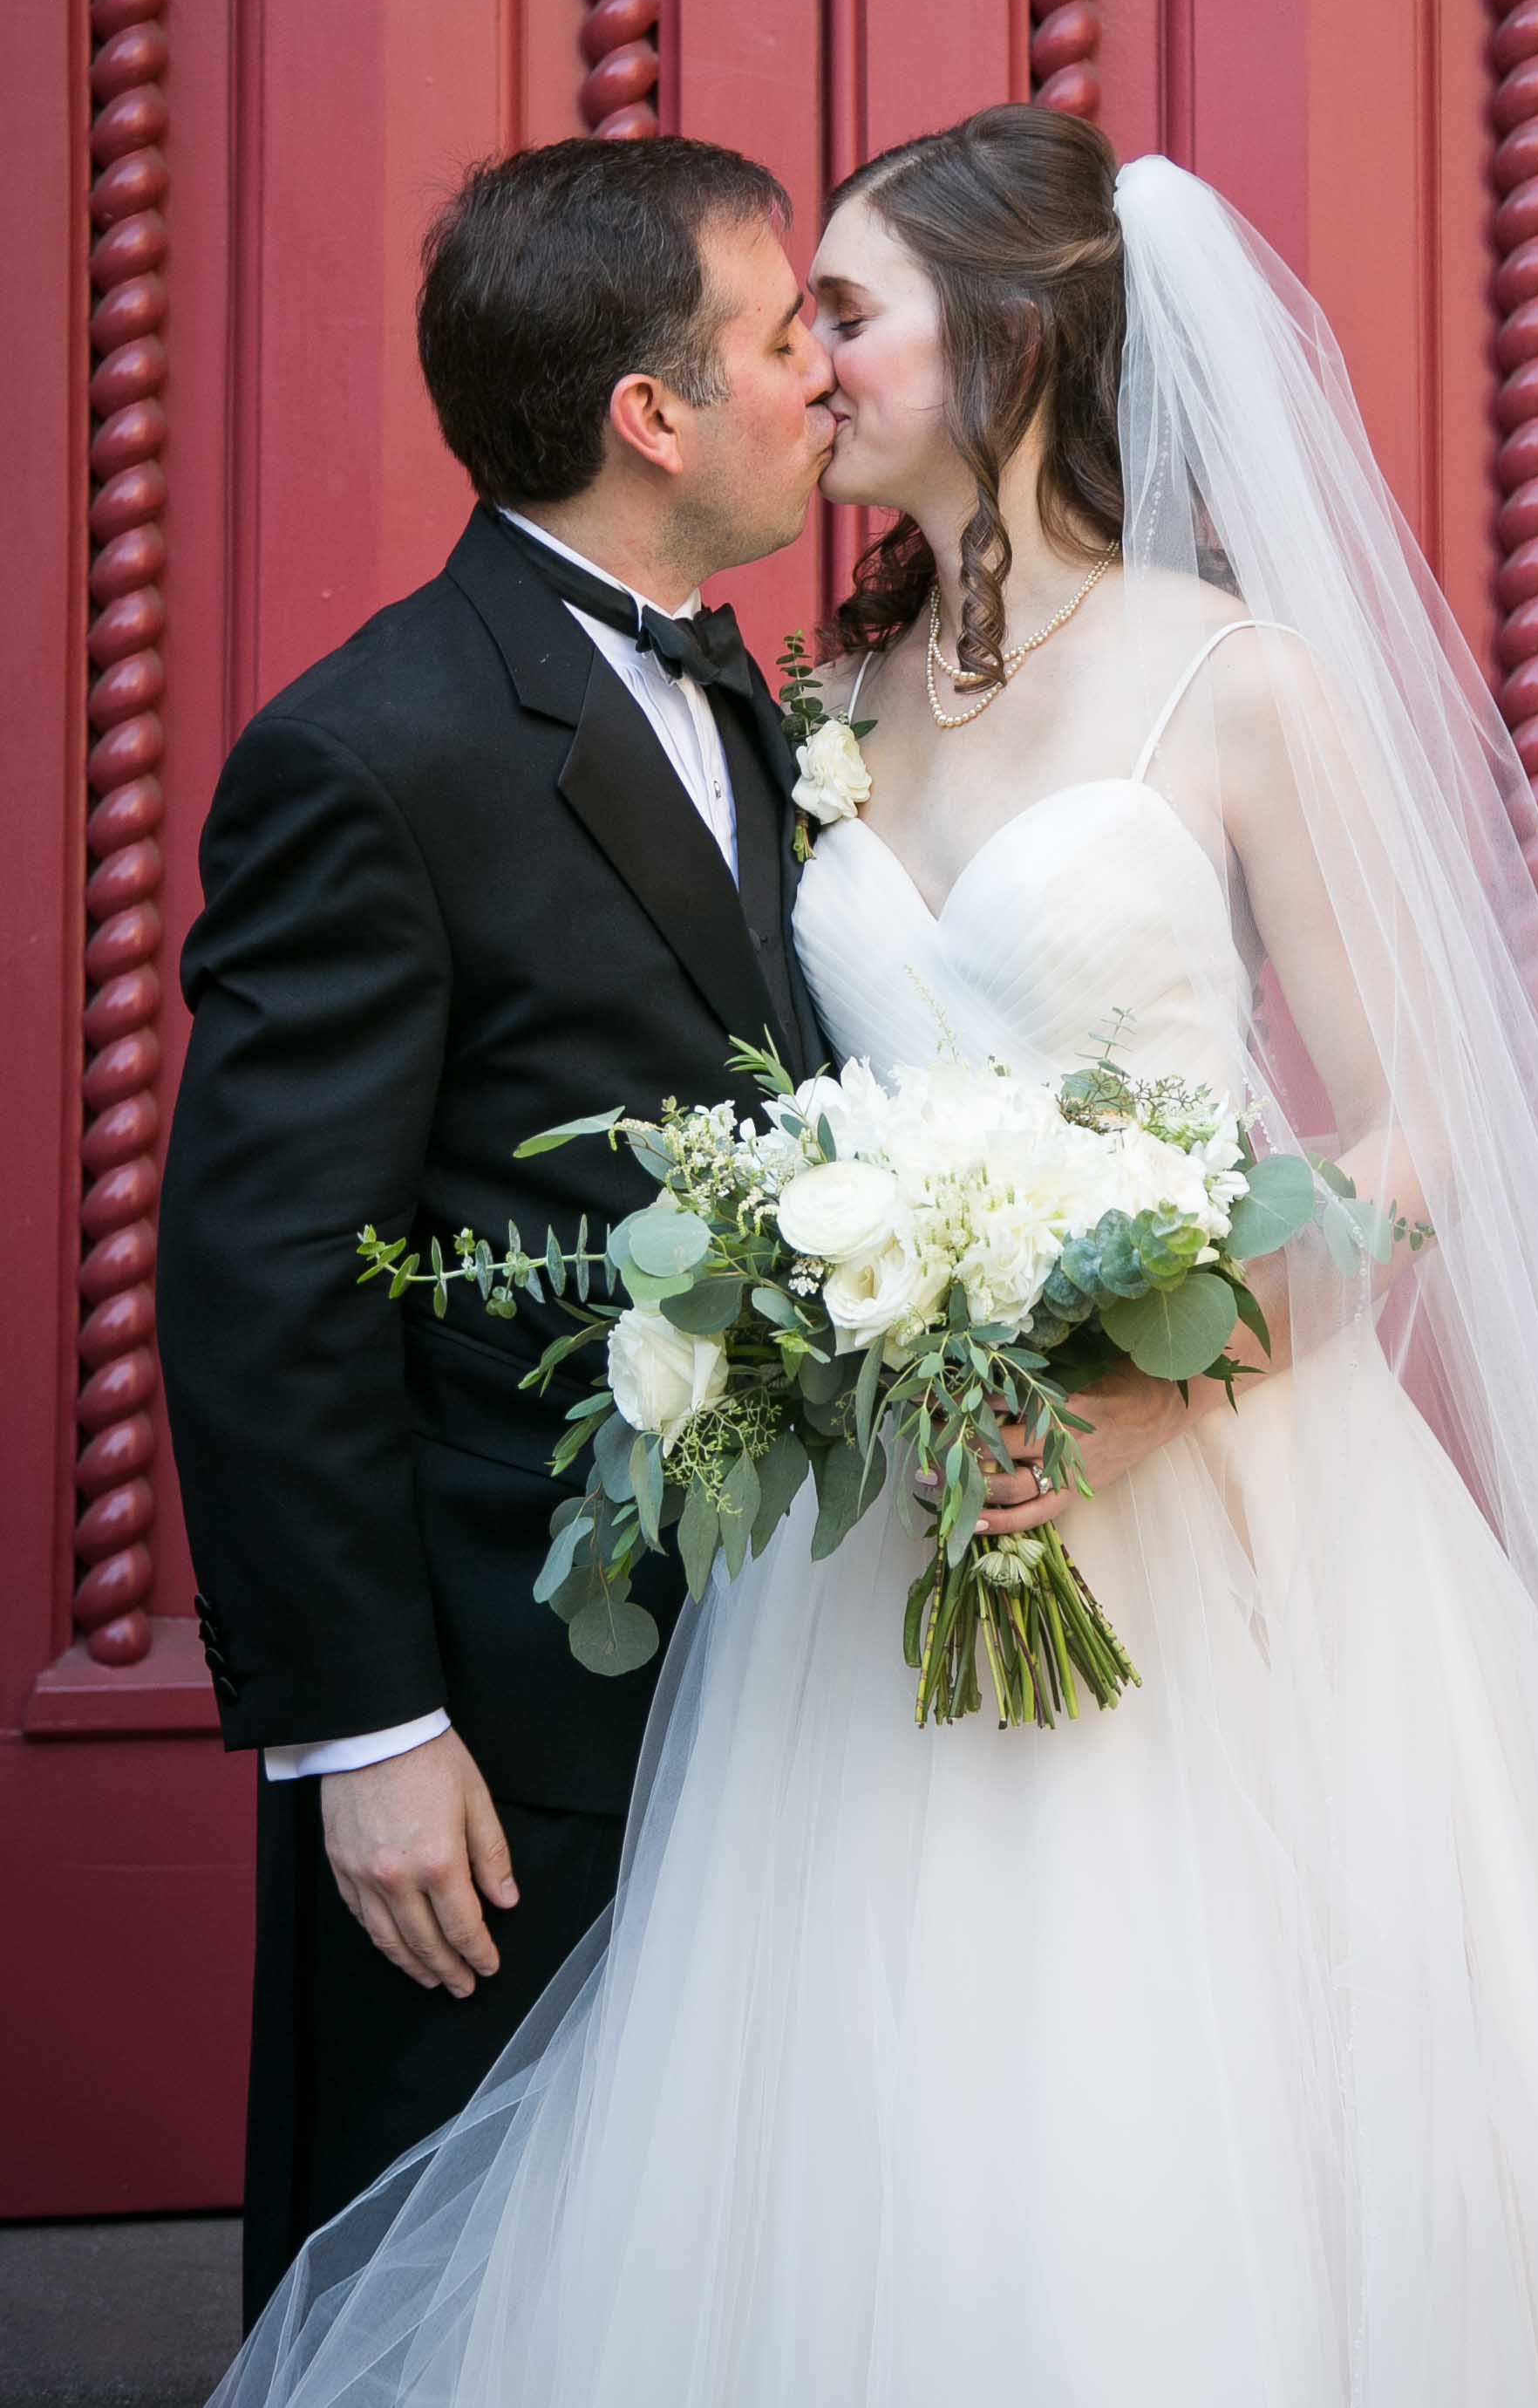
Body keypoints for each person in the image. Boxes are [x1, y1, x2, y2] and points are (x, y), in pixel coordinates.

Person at [209, 110, 1538, 2406]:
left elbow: (1424, 1134)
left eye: (848, 312)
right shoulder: (812, 707)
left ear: (1011, 344)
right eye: (789, 324)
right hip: (880, 1554)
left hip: (1227, 1505)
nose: (813, 363)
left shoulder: (1233, 682)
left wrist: (1160, 1381)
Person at [157, 135, 834, 2324]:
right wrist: (364, 1732)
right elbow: (266, 1283)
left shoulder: (751, 693)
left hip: (770, 1676)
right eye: (782, 333)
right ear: (655, 414)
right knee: (451, 2297)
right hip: (499, 1714)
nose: (823, 371)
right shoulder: (371, 750)